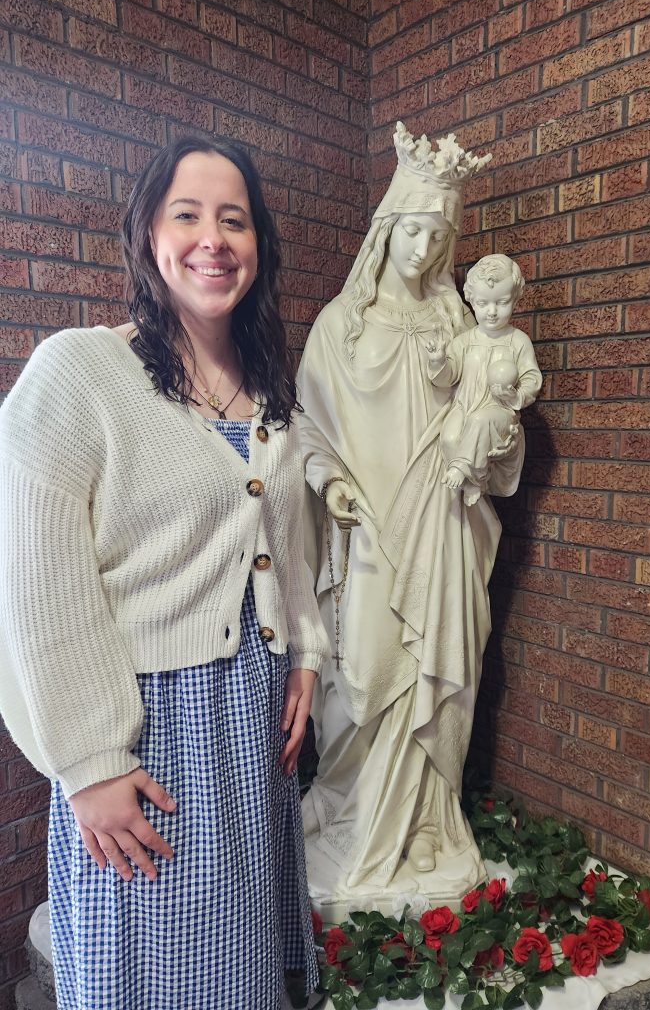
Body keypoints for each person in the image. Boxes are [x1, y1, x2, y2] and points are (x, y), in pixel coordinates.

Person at [0, 137, 328, 1010]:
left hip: (253, 718)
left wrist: (305, 653)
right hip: (147, 728)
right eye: (187, 215)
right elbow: (38, 582)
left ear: (259, 245)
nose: (212, 238)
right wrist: (91, 760)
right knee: (147, 954)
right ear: (148, 234)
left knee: (241, 956)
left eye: (235, 219)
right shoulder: (80, 373)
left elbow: (288, 539)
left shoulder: (268, 392)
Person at [297, 123, 511, 906]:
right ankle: (353, 809)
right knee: (360, 677)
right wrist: (329, 485)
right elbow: (306, 430)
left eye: (438, 235)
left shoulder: (461, 323)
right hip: (367, 537)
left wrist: (496, 435)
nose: (423, 249)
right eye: (412, 229)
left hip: (446, 530)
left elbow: (488, 415)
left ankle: (422, 823)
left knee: (443, 677)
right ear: (386, 230)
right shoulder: (338, 326)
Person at [427, 254, 542, 507]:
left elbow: (531, 378)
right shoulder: (465, 341)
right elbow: (448, 377)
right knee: (448, 437)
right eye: (483, 303)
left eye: (501, 302)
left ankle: (467, 474)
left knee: (481, 421)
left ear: (515, 299)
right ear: (471, 300)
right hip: (464, 405)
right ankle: (471, 478)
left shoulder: (517, 341)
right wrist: (438, 361)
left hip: (499, 412)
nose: (491, 312)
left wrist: (516, 396)